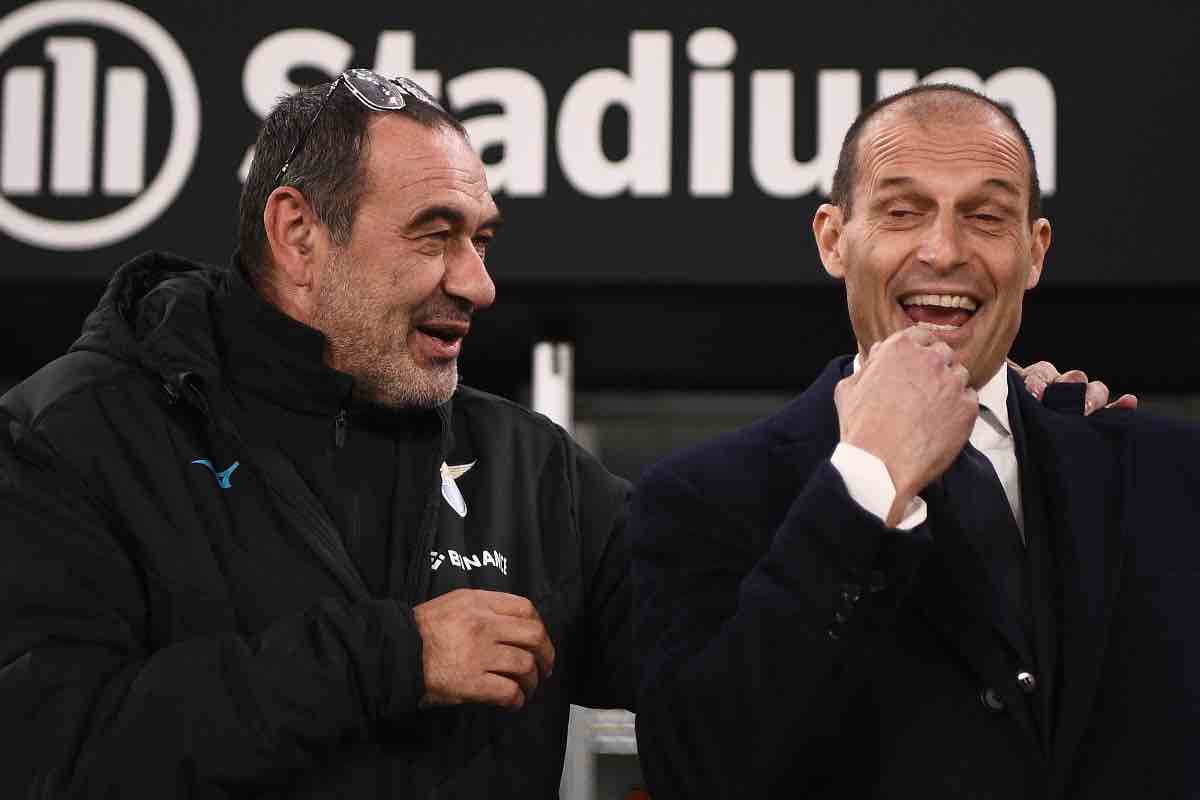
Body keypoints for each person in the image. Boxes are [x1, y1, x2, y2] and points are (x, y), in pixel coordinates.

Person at [0, 70, 631, 797]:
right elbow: (45, 753)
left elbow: (709, 645)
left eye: (480, 240)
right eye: (435, 235)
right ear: (298, 234)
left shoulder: (531, 466)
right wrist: (390, 659)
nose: (477, 284)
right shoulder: (73, 437)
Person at [631, 83, 1200, 799]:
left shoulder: (1165, 476)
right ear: (834, 240)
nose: (944, 251)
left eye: (986, 217)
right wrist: (864, 484)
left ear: (1035, 252)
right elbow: (698, 774)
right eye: (903, 212)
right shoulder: (699, 498)